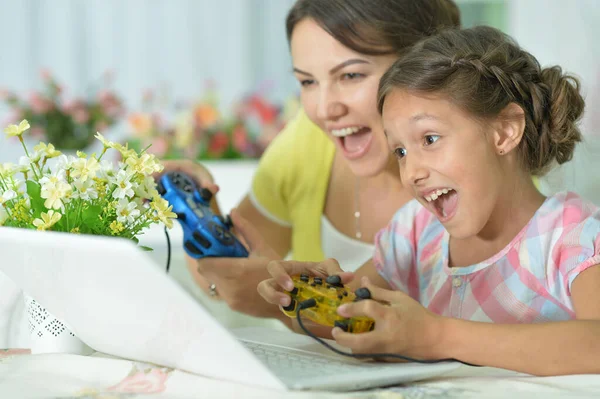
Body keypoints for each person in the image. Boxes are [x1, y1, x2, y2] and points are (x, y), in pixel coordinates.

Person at [258, 25, 600, 376]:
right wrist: (312, 302)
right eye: (401, 151)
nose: (412, 171)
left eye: (430, 139)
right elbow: (360, 326)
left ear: (505, 130)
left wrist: (438, 336)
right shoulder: (415, 234)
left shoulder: (571, 234)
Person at [162, 0, 461, 321]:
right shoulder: (308, 141)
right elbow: (231, 278)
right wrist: (198, 208)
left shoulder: (470, 170)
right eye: (307, 82)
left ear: (427, 64)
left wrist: (276, 304)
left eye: (350, 75)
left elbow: (374, 322)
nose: (324, 108)